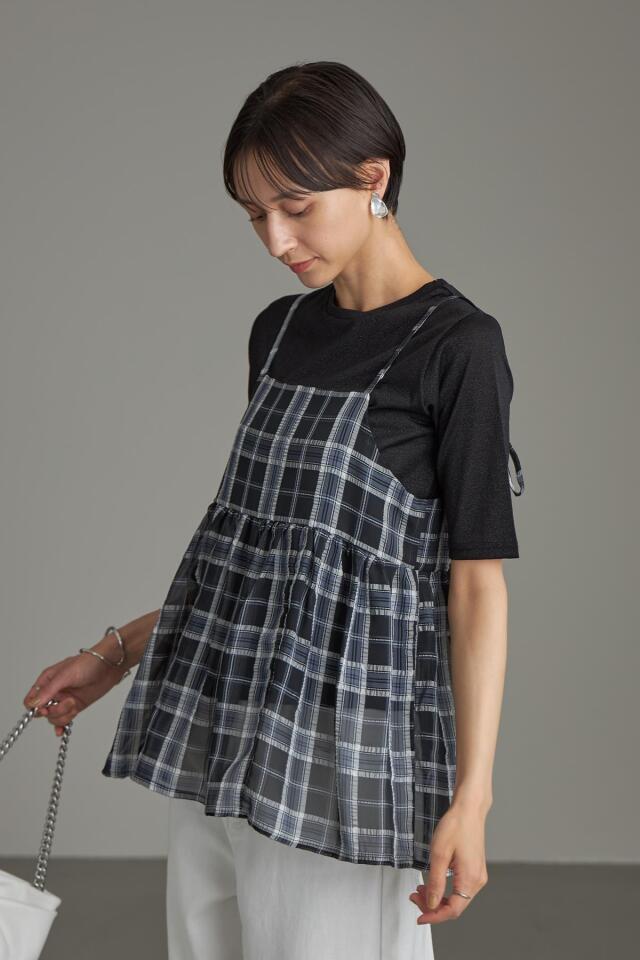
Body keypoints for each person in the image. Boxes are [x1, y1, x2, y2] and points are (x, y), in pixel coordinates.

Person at [22, 60, 525, 960]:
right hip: (221, 728)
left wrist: (472, 799)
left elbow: (476, 585)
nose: (275, 240)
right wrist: (115, 655)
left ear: (373, 178)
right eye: (255, 215)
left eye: (296, 207)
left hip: (344, 751)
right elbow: (260, 564)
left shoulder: (459, 347)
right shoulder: (279, 330)